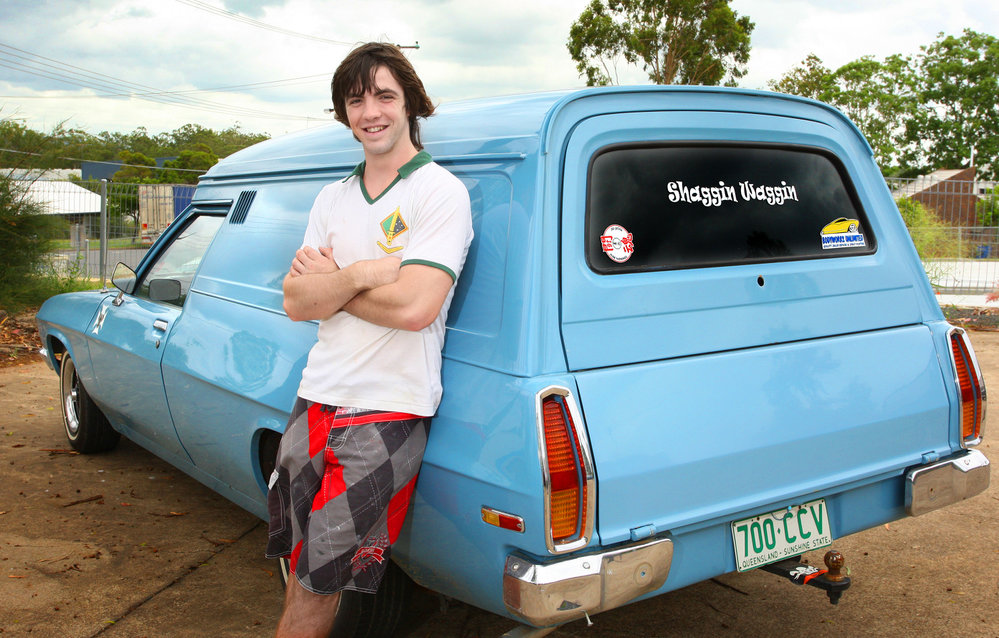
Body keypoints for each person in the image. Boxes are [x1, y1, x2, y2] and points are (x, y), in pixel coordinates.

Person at [265, 42, 473, 637]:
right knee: (299, 560)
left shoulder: (438, 192)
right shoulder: (332, 197)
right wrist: (358, 275)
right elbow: (294, 301)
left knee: (319, 578)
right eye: (356, 100)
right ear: (344, 113)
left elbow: (414, 308)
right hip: (315, 399)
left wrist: (329, 285)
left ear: (410, 103)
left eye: (384, 95)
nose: (370, 111)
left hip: (387, 411)